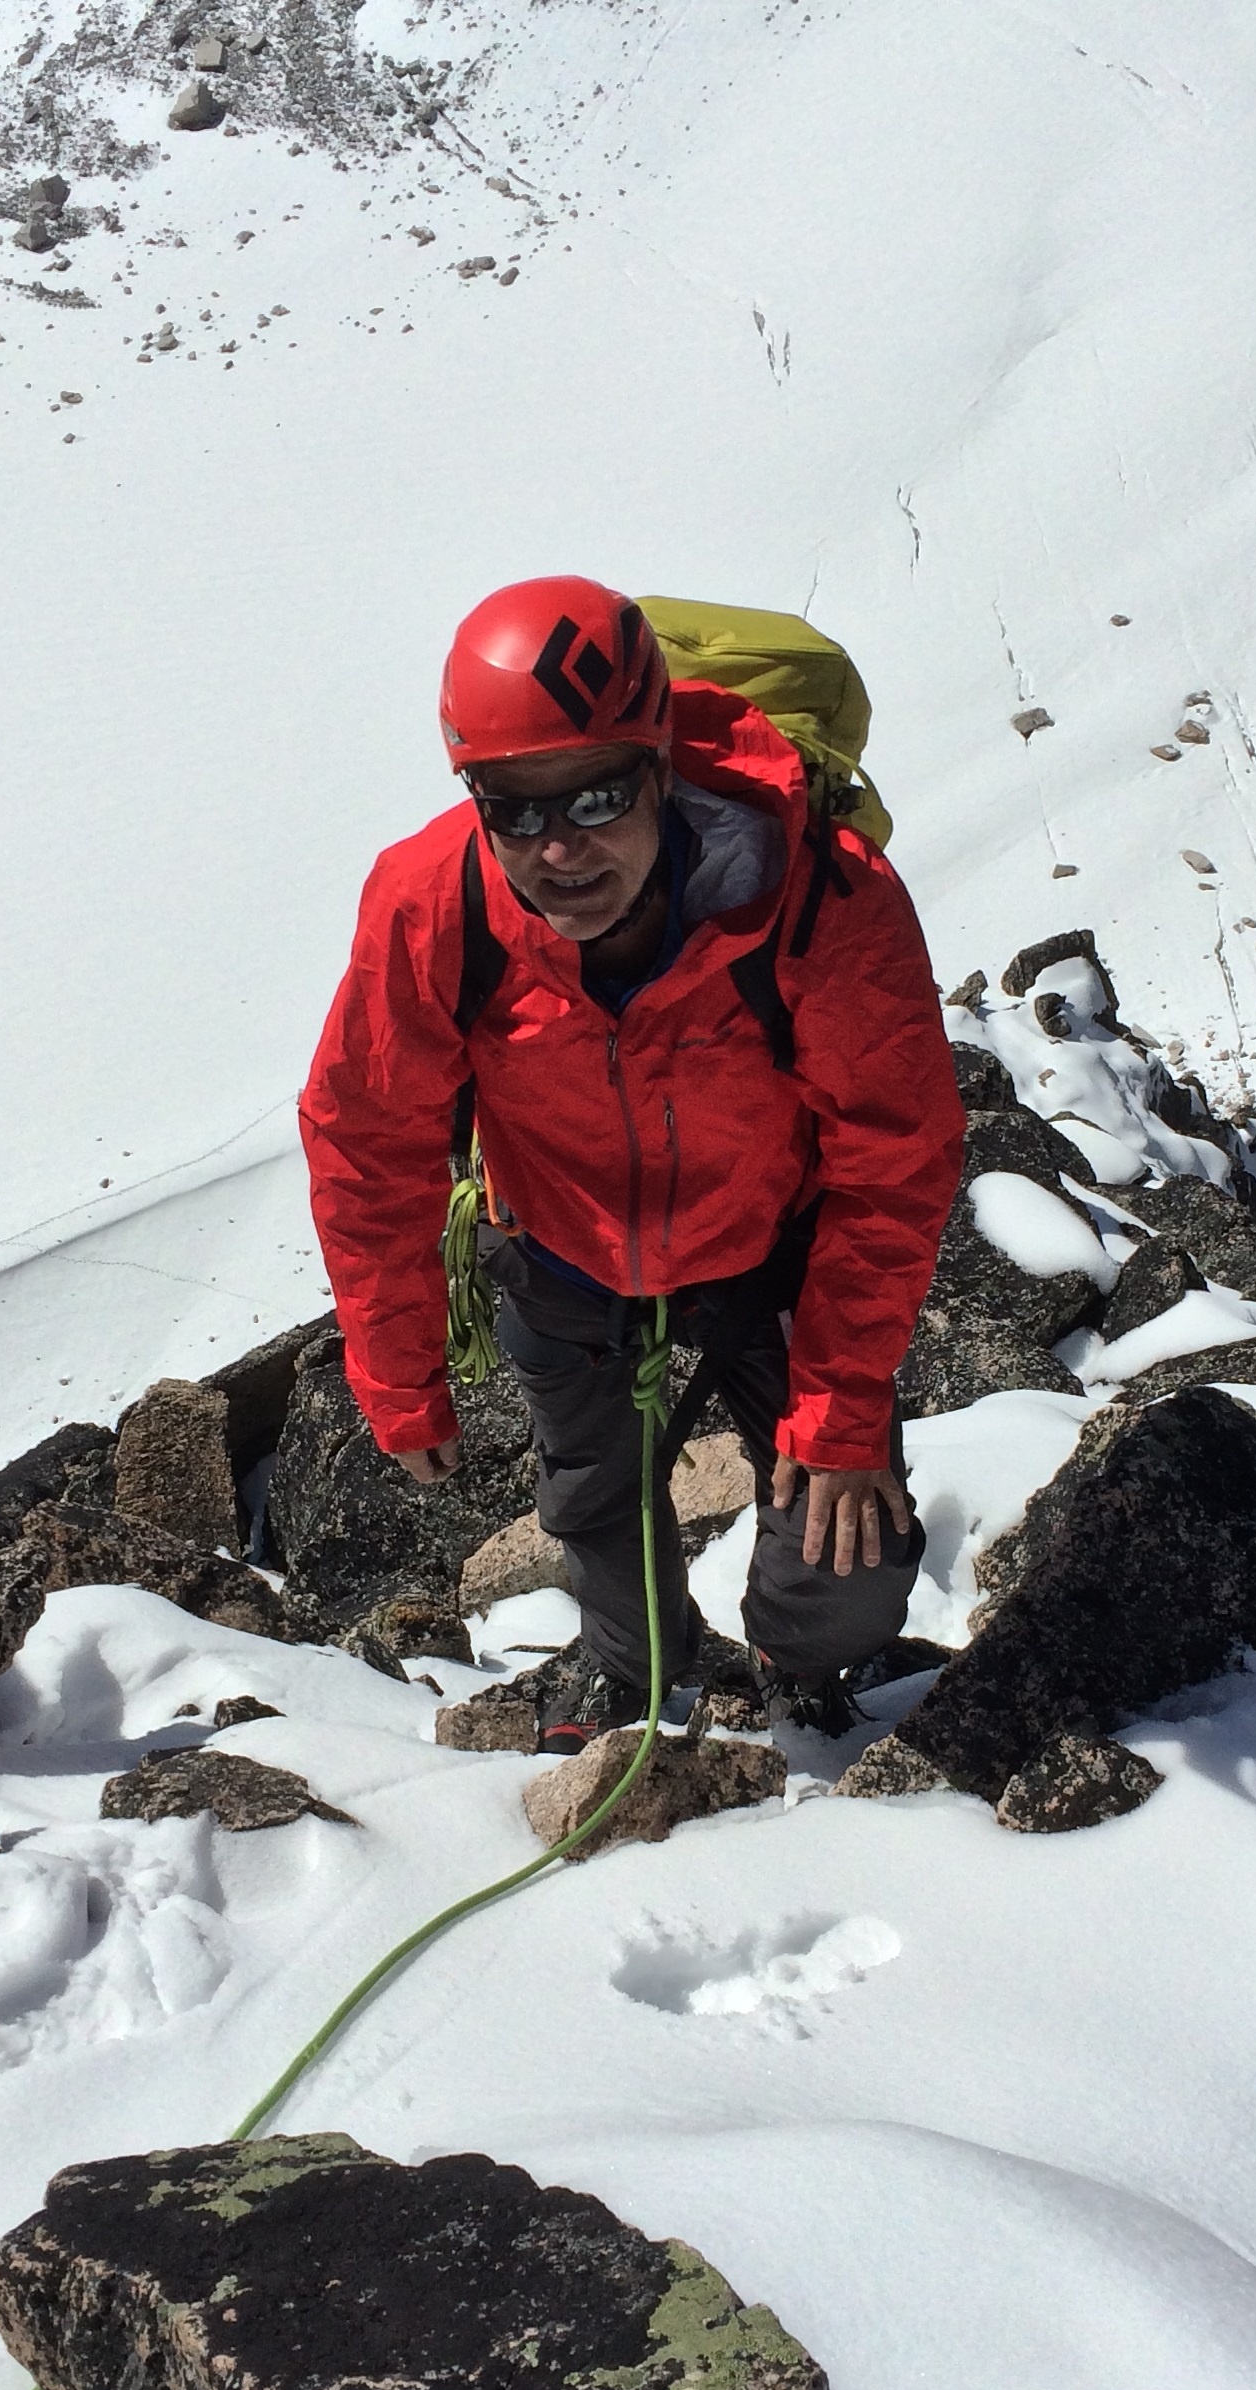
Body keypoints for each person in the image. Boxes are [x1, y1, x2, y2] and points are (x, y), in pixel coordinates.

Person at [299, 577, 963, 1749]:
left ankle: (793, 1657)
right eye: (514, 808)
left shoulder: (821, 893)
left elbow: (894, 1156)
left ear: (662, 762)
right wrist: (398, 1376)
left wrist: (843, 1405)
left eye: (599, 795)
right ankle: (635, 1665)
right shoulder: (429, 902)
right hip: (560, 1242)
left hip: (774, 1247)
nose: (558, 849)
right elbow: (367, 1136)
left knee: (850, 1550)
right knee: (594, 1503)